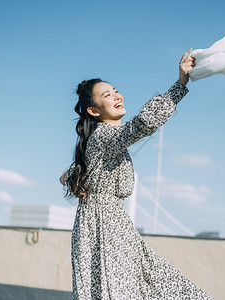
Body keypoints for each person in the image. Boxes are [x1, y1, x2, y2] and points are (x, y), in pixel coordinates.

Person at [60, 49, 213, 299]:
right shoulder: (105, 135)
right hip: (105, 230)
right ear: (94, 111)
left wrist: (69, 174)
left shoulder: (98, 140)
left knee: (150, 284)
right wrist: (180, 84)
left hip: (109, 227)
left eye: (115, 91)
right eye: (106, 95)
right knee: (140, 287)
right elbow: (142, 125)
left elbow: (82, 168)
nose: (116, 96)